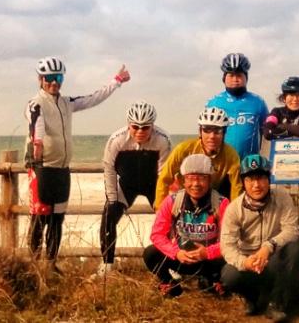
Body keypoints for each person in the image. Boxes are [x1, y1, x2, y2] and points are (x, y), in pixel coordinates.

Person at [25, 57, 130, 268]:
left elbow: (93, 98)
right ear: (40, 79)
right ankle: (33, 266)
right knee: (39, 219)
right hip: (41, 168)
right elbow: (37, 121)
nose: (54, 82)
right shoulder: (35, 103)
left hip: (62, 169)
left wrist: (116, 81)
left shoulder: (67, 103)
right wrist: (38, 142)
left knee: (57, 219)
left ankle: (50, 265)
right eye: (49, 78)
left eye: (58, 78)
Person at [220, 155, 299, 322]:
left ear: (268, 179)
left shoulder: (282, 197)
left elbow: (292, 230)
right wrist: (245, 262)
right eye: (250, 179)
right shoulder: (234, 209)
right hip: (248, 262)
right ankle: (250, 298)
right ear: (243, 182)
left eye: (261, 178)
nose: (256, 185)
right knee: (229, 275)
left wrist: (269, 246)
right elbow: (227, 246)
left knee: (294, 250)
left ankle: (276, 303)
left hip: (273, 260)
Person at [99, 101, 172, 276]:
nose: (140, 131)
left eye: (145, 127)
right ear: (128, 124)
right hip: (127, 185)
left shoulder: (163, 140)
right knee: (108, 216)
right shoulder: (116, 140)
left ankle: (170, 263)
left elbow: (164, 173)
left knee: (170, 219)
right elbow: (109, 169)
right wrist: (112, 199)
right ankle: (107, 263)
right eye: (135, 127)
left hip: (154, 185)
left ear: (152, 125)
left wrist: (164, 202)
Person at [143, 154, 230, 297]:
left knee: (231, 256)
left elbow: (230, 240)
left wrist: (207, 253)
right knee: (150, 253)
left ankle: (212, 280)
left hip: (209, 259)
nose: (196, 184)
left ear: (210, 180)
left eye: (202, 178)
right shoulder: (172, 201)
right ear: (183, 181)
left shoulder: (221, 203)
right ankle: (169, 282)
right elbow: (157, 234)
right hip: (181, 257)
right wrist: (176, 252)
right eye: (190, 178)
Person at [155, 107, 242, 206]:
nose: (212, 136)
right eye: (207, 130)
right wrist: (159, 208)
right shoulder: (183, 149)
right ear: (200, 131)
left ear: (224, 132)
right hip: (186, 193)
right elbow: (164, 179)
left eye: (217, 131)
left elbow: (237, 187)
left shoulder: (231, 155)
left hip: (213, 194)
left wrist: (235, 212)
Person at [205, 53, 269, 158]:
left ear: (246, 78)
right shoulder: (213, 103)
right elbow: (205, 136)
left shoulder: (258, 102)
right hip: (222, 163)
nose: (235, 79)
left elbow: (267, 135)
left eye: (239, 75)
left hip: (249, 164)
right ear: (224, 78)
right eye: (231, 75)